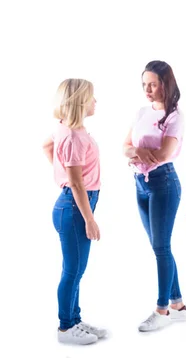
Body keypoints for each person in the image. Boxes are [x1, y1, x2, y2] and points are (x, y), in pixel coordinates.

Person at [123, 61, 186, 331]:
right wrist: (137, 153)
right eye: (144, 85)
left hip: (164, 184)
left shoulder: (175, 116)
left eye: (152, 84)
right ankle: (178, 304)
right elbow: (125, 146)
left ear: (165, 83)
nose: (147, 90)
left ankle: (162, 310)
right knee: (159, 247)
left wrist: (137, 153)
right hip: (140, 183)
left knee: (161, 247)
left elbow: (163, 155)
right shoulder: (141, 112)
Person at [43, 79, 107, 345]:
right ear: (80, 101)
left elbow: (47, 146)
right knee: (73, 271)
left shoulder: (70, 130)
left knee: (77, 269)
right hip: (75, 207)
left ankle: (75, 319)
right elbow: (78, 183)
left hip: (74, 203)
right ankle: (66, 328)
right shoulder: (72, 137)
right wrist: (89, 220)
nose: (96, 102)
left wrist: (60, 171)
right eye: (92, 98)